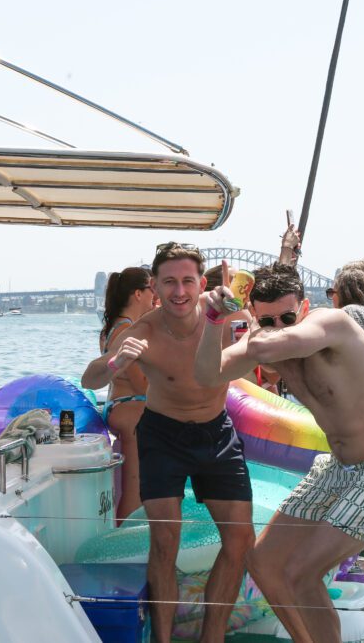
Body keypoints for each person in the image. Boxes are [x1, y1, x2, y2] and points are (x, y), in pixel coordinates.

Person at [194, 262, 364, 643]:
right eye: (270, 319)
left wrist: (251, 321)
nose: (279, 325)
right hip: (339, 465)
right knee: (262, 562)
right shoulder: (266, 339)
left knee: (300, 572)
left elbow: (268, 343)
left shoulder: (331, 323)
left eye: (287, 316)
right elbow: (206, 375)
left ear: (304, 308)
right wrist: (213, 320)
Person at [82, 242, 254, 643]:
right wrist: (116, 361)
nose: (179, 292)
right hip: (162, 434)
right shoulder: (141, 330)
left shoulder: (226, 318)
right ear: (155, 288)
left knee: (241, 538)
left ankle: (212, 638)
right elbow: (91, 379)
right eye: (170, 282)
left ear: (200, 283)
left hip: (216, 432)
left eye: (187, 281)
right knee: (165, 539)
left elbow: (260, 346)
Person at [99, 266, 154, 523]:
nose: (156, 294)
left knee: (136, 486)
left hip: (120, 404)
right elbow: (141, 384)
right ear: (138, 294)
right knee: (135, 489)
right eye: (152, 289)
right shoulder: (127, 331)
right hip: (131, 410)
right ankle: (124, 546)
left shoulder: (116, 326)